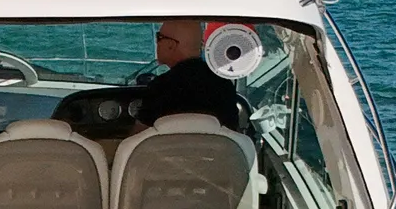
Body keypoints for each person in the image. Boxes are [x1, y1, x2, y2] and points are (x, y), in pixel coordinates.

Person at [53, 18, 250, 139]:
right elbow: (231, 137)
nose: (157, 42)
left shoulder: (163, 87)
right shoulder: (224, 86)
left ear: (172, 45)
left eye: (159, 38)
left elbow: (138, 138)